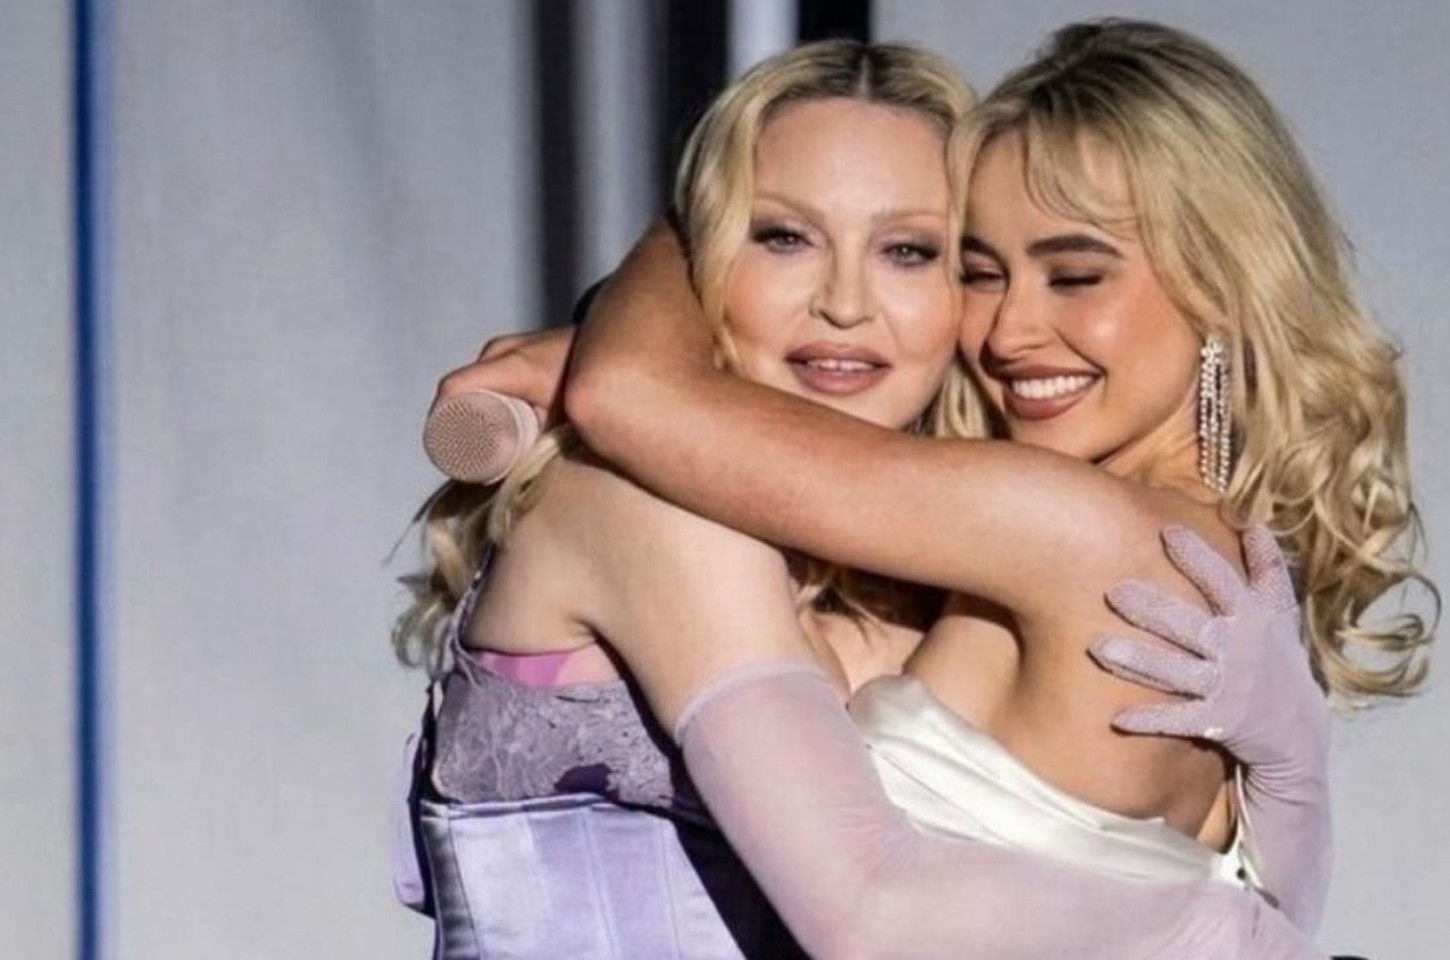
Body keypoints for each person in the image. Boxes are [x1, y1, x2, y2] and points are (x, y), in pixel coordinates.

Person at [403, 35, 1333, 960]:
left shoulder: (1011, 563)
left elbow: (631, 391)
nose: (845, 303)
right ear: (708, 261)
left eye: (911, 251)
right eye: (781, 236)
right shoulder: (642, 502)